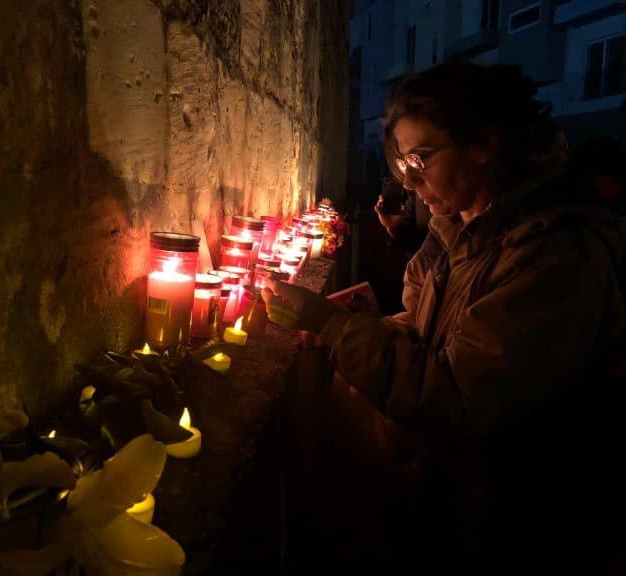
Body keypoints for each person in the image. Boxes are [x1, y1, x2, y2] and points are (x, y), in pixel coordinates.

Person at [263, 60, 626, 574]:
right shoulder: (462, 229)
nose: (410, 181)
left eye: (421, 158)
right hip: (444, 502)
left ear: (483, 144)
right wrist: (360, 329)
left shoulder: (554, 257)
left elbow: (458, 395)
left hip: (509, 527)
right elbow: (430, 328)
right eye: (401, 164)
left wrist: (335, 326)